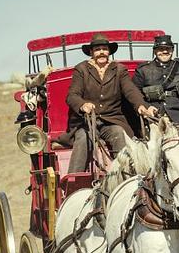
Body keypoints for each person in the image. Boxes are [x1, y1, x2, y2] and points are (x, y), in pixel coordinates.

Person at [66, 33, 157, 173]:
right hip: (87, 121)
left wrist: (142, 106)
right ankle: (74, 179)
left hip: (112, 121)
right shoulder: (82, 69)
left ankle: (125, 175)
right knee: (83, 137)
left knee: (120, 133)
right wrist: (83, 104)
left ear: (109, 52)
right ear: (91, 52)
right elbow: (72, 95)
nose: (101, 52)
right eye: (97, 49)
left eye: (104, 49)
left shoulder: (119, 70)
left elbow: (131, 91)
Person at [132, 34, 179, 126]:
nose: (165, 51)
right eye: (161, 49)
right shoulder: (143, 70)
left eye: (168, 48)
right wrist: (146, 107)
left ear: (172, 50)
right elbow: (134, 94)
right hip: (153, 118)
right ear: (155, 51)